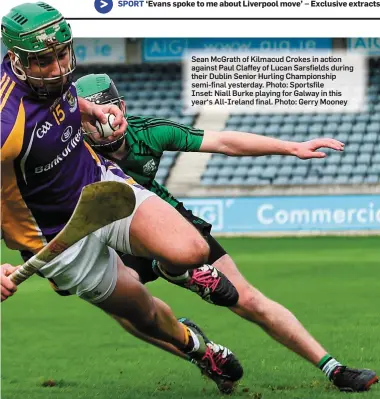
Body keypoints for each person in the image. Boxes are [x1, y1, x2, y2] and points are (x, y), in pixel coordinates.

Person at [75, 72, 379, 393]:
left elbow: (222, 141)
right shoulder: (74, 153)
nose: (102, 124)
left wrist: (291, 147)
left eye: (110, 111)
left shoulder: (149, 132)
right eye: (90, 121)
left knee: (247, 298)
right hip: (114, 233)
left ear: (121, 106)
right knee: (129, 313)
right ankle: (202, 353)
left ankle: (335, 369)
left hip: (164, 217)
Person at [0, 2, 244, 391]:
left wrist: (85, 109)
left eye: (63, 54)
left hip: (101, 188)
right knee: (144, 313)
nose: (59, 67)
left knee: (191, 251)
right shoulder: (4, 123)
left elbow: (55, 100)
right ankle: (199, 348)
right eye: (45, 61)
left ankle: (177, 271)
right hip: (55, 240)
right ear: (17, 59)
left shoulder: (50, 75)